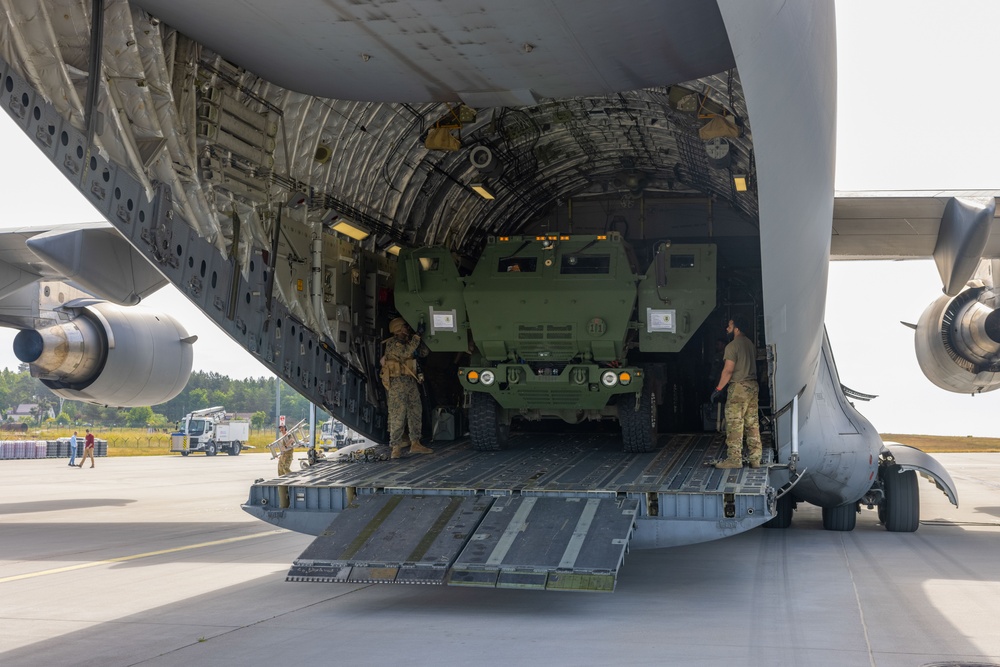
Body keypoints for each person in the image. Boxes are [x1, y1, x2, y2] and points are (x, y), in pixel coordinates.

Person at [711, 316, 762, 469]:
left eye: (730, 325)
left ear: (737, 328)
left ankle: (734, 459)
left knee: (734, 424)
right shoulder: (750, 344)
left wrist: (718, 389)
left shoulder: (732, 346)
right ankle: (755, 459)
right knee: (752, 423)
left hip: (739, 388)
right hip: (752, 386)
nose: (727, 328)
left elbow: (728, 370)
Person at [381, 317, 432, 459]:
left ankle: (415, 442)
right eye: (404, 327)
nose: (407, 329)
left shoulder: (409, 342)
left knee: (415, 410)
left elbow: (423, 353)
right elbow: (404, 352)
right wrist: (417, 336)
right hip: (397, 383)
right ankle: (395, 447)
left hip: (410, 381)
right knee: (398, 413)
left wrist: (419, 340)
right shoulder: (392, 343)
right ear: (397, 329)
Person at [277, 424, 295, 508]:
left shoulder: (288, 434)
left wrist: (285, 446)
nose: (281, 429)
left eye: (282, 428)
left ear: (285, 428)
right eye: (280, 428)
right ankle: (282, 482)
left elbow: (292, 440)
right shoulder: (281, 436)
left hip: (288, 454)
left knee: (286, 468)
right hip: (283, 455)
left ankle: (293, 478)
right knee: (280, 469)